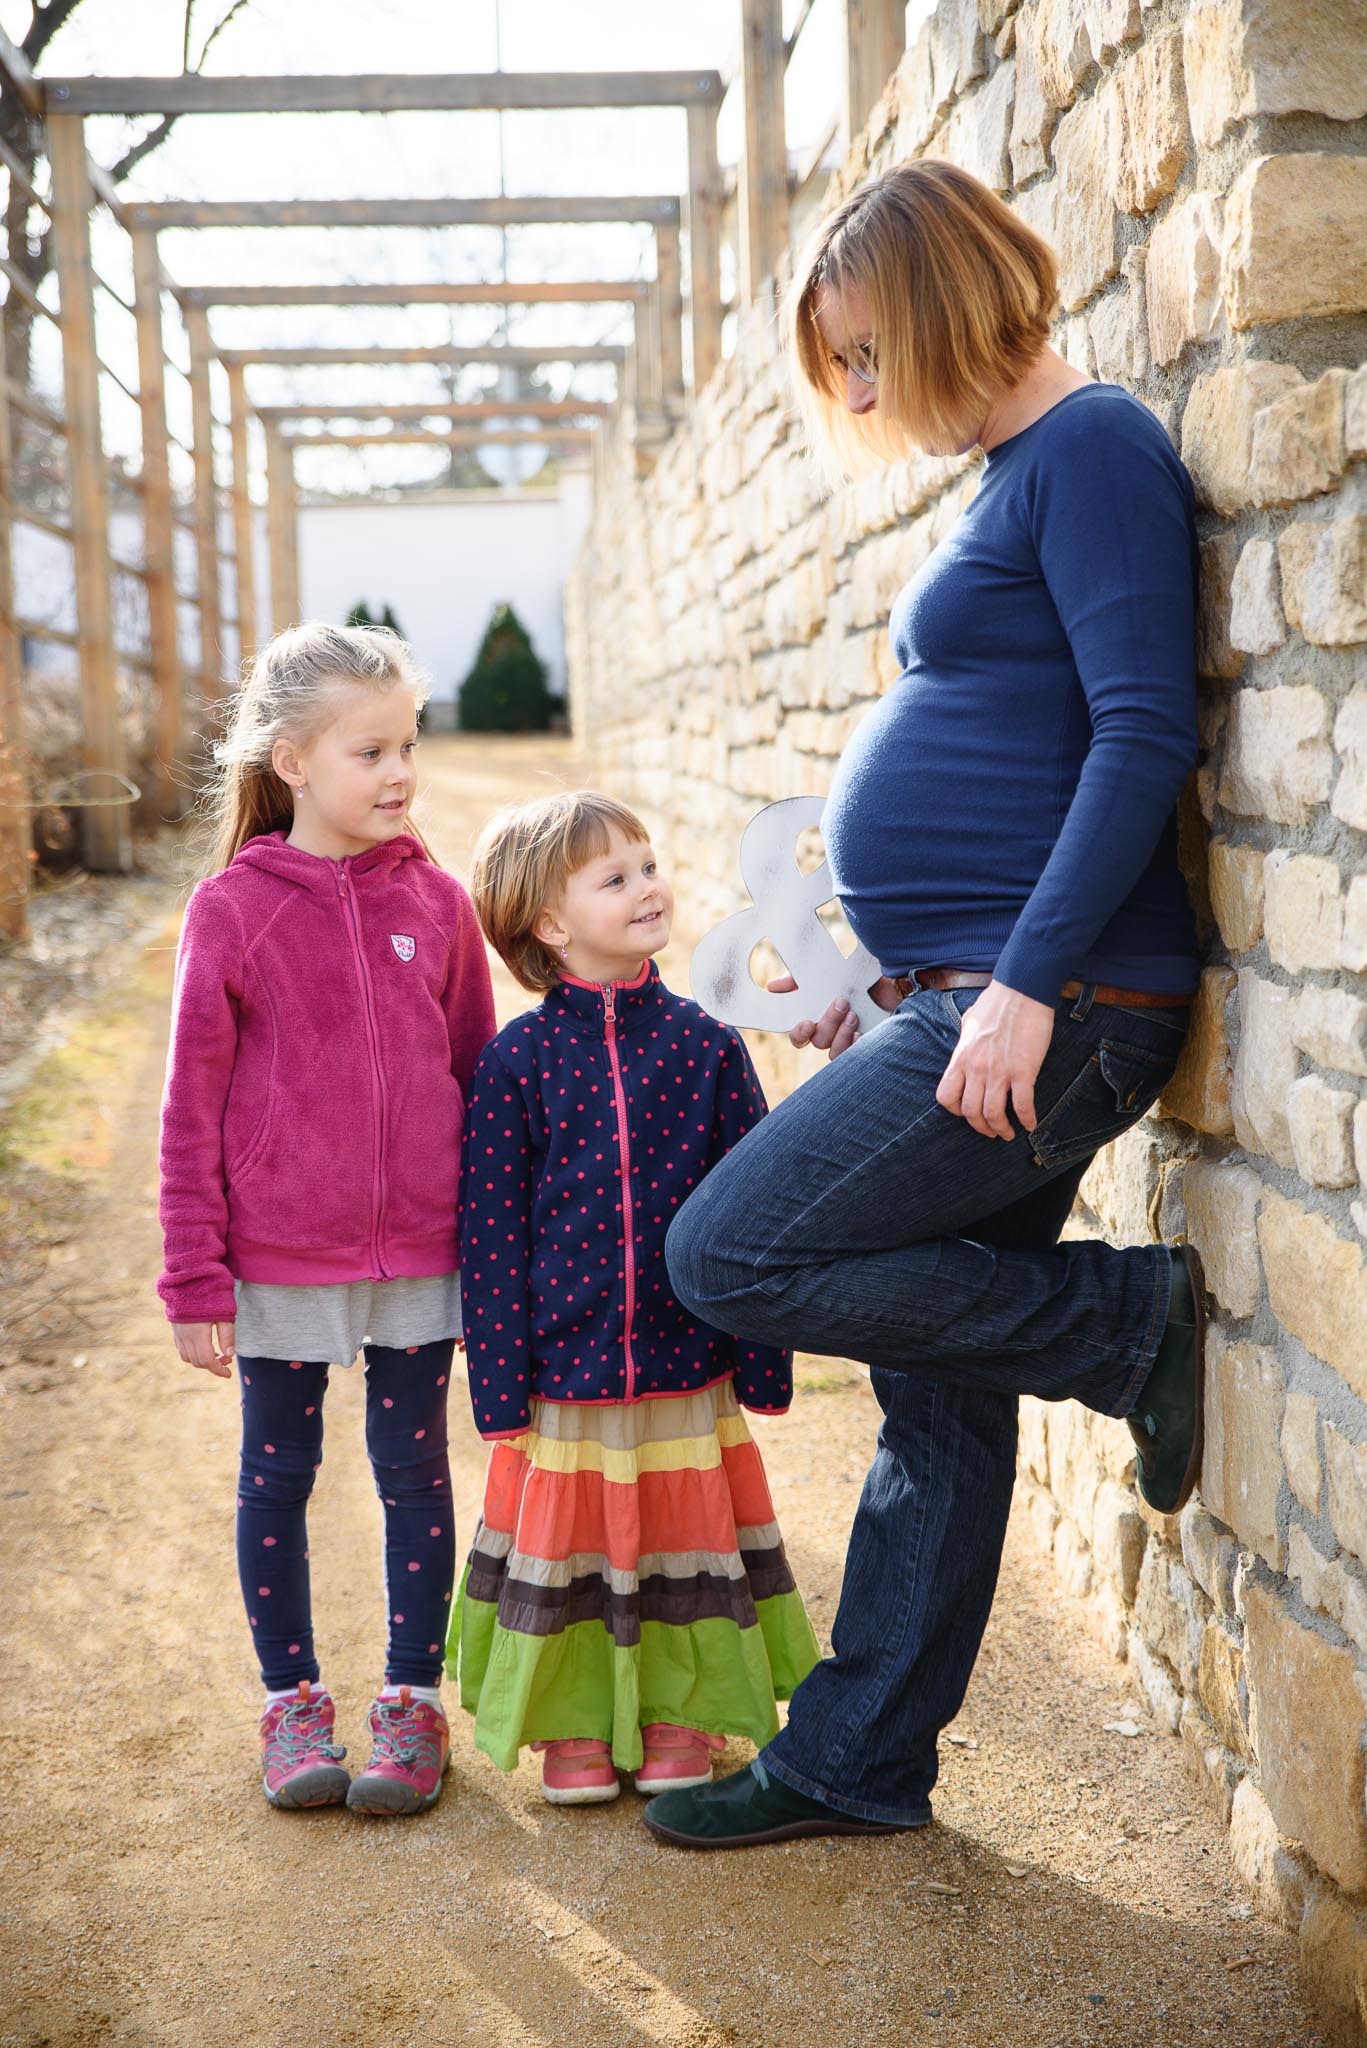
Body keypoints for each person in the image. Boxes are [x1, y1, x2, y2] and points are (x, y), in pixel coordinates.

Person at [644, 159, 1206, 1850]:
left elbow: (1141, 731)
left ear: (945, 301)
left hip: (1063, 997)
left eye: (869, 351)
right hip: (970, 993)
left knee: (725, 1252)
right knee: (932, 1374)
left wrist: (1017, 985)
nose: (864, 394)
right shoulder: (1013, 470)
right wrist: (885, 975)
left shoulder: (1090, 449)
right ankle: (858, 1758)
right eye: (845, 366)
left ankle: (1121, 1325)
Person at [157, 622, 495, 1817]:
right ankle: (290, 1700)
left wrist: (493, 1250)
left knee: (413, 1470)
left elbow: (478, 1080)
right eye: (371, 750)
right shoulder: (231, 910)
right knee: (276, 1471)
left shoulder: (440, 904)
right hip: (282, 1256)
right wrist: (193, 1275)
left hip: (420, 1253)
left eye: (408, 744)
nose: (400, 771)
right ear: (292, 761)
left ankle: (411, 1699)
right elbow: (189, 1107)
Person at [449, 790, 820, 1805]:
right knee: (570, 1552)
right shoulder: (515, 1063)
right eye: (614, 877)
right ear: (549, 923)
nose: (648, 887)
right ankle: (572, 1724)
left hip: (685, 1367)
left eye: (648, 865)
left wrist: (762, 1361)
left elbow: (756, 1208)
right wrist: (500, 1389)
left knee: (680, 1548)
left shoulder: (705, 1045)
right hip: (563, 1380)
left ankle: (678, 1712)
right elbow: (490, 1237)